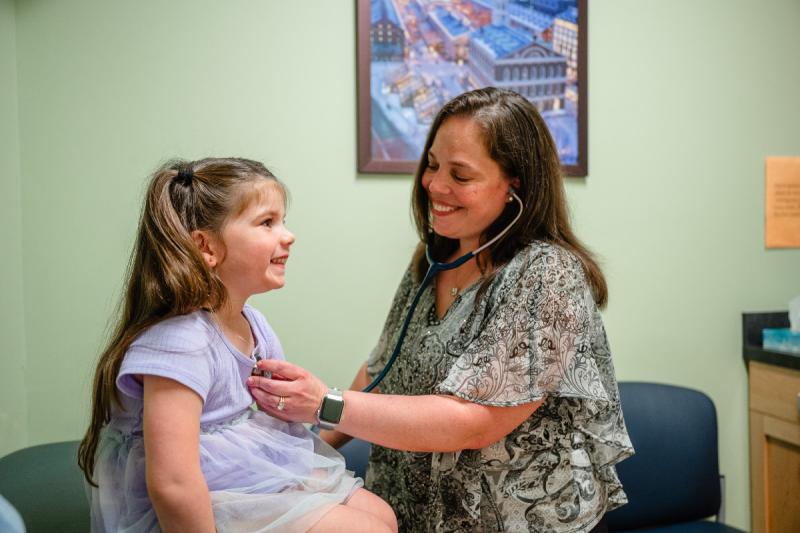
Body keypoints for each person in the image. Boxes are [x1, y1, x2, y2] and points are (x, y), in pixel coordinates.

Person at [249, 88, 634, 532]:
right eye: (432, 165)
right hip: (409, 514)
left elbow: (471, 421)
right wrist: (306, 452)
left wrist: (323, 405)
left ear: (516, 185)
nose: (434, 185)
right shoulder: (434, 259)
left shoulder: (549, 275)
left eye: (461, 175)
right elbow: (381, 367)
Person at [77, 158, 397, 533]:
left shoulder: (255, 324)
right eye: (267, 222)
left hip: (252, 476)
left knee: (382, 517)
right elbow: (173, 484)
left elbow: (269, 422)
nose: (288, 235)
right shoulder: (180, 342)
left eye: (283, 220)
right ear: (206, 246)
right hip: (204, 499)